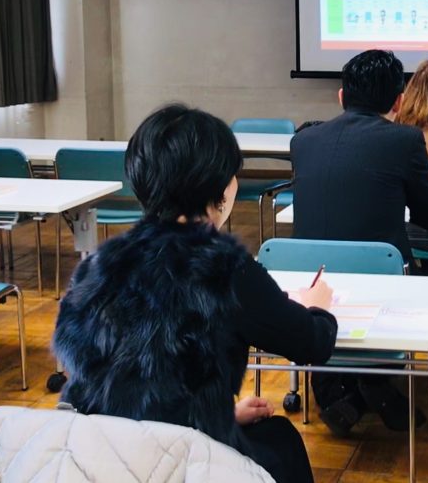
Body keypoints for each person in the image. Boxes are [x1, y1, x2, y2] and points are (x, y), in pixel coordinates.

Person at [53, 104, 337, 483]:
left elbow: (118, 385)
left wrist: (220, 415)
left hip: (95, 457)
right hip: (181, 463)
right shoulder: (226, 269)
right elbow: (312, 344)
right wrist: (317, 308)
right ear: (218, 188)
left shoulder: (99, 264)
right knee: (280, 439)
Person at [290, 49, 428, 437]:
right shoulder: (405, 140)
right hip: (380, 279)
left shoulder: (303, 141)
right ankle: (371, 381)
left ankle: (340, 388)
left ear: (341, 96)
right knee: (407, 269)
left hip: (312, 283)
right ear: (399, 101)